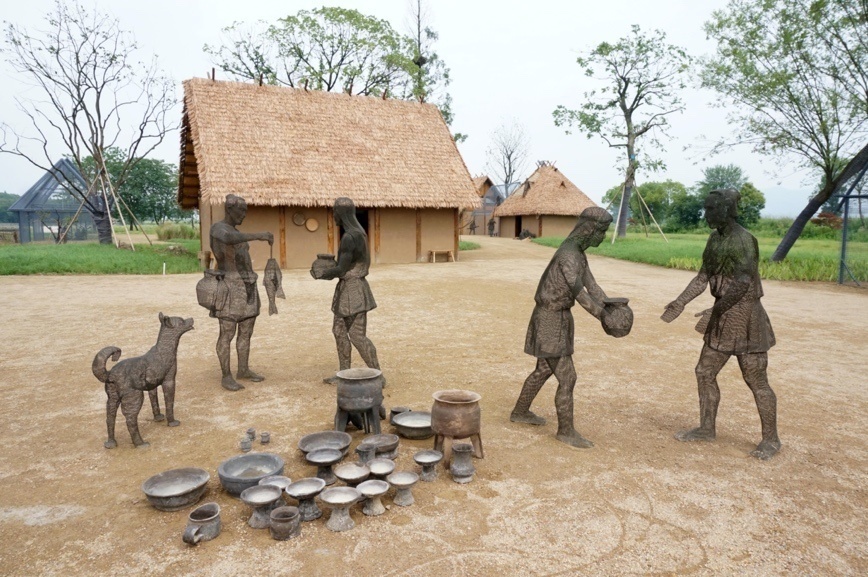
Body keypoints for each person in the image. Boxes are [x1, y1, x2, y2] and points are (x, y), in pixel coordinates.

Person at [661, 189, 780, 460]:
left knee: (756, 379)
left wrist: (715, 310)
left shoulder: (745, 240)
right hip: (723, 315)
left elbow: (742, 283)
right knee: (704, 371)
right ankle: (706, 427)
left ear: (726, 210)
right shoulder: (714, 239)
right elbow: (703, 276)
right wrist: (680, 302)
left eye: (710, 209)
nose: (706, 214)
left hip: (746, 317)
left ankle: (771, 439)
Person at [510, 207, 614, 448]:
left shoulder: (578, 253)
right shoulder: (569, 255)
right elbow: (581, 294)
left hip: (559, 317)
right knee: (568, 378)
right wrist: (603, 317)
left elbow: (593, 287)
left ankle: (520, 411)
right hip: (550, 318)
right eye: (602, 231)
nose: (603, 237)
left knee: (544, 368)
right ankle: (565, 431)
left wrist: (613, 306)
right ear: (589, 229)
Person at [210, 194, 273, 391]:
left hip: (247, 286)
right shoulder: (218, 229)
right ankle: (226, 375)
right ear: (230, 209)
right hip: (230, 287)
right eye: (241, 211)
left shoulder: (234, 231)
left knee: (246, 331)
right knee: (227, 332)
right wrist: (258, 235)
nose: (244, 215)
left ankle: (243, 369)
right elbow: (229, 238)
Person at [319, 197, 382, 385]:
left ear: (341, 213)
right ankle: (344, 373)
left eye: (334, 212)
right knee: (340, 331)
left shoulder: (350, 237)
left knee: (355, 335)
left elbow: (341, 270)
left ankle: (378, 374)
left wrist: (323, 273)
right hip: (352, 288)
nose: (333, 216)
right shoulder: (359, 232)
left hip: (351, 290)